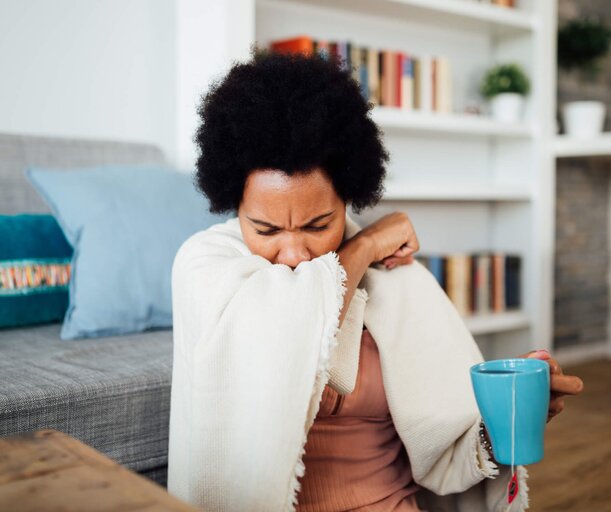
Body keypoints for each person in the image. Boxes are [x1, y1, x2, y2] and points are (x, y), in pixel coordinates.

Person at [167, 49, 584, 512]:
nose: (292, 254)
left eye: (317, 225)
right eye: (265, 230)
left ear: (349, 198)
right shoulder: (203, 263)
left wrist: (503, 419)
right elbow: (280, 341)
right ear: (233, 204)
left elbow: (449, 444)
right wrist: (363, 246)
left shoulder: (395, 279)